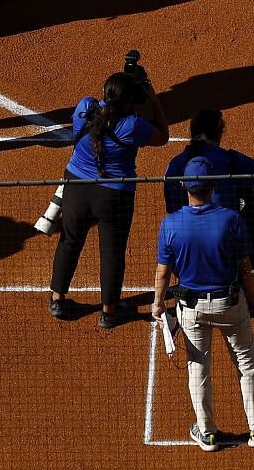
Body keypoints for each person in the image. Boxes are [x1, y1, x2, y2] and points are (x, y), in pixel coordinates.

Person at [152, 157, 254, 453]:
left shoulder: (171, 223)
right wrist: (252, 297)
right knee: (246, 364)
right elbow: (245, 266)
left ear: (184, 185)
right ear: (212, 186)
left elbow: (163, 271)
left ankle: (208, 434)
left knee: (198, 367)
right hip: (231, 303)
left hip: (191, 310)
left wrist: (158, 304)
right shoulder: (230, 219)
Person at [49, 69, 168, 325]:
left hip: (76, 187)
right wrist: (154, 100)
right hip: (114, 196)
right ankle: (109, 313)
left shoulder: (85, 106)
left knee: (69, 241)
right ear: (130, 100)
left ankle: (57, 300)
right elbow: (163, 136)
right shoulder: (133, 125)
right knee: (112, 252)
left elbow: (96, 118)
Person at [163, 109, 254, 277]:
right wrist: (242, 184)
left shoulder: (174, 164)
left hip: (182, 254)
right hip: (224, 249)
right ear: (219, 132)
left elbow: (171, 206)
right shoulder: (229, 159)